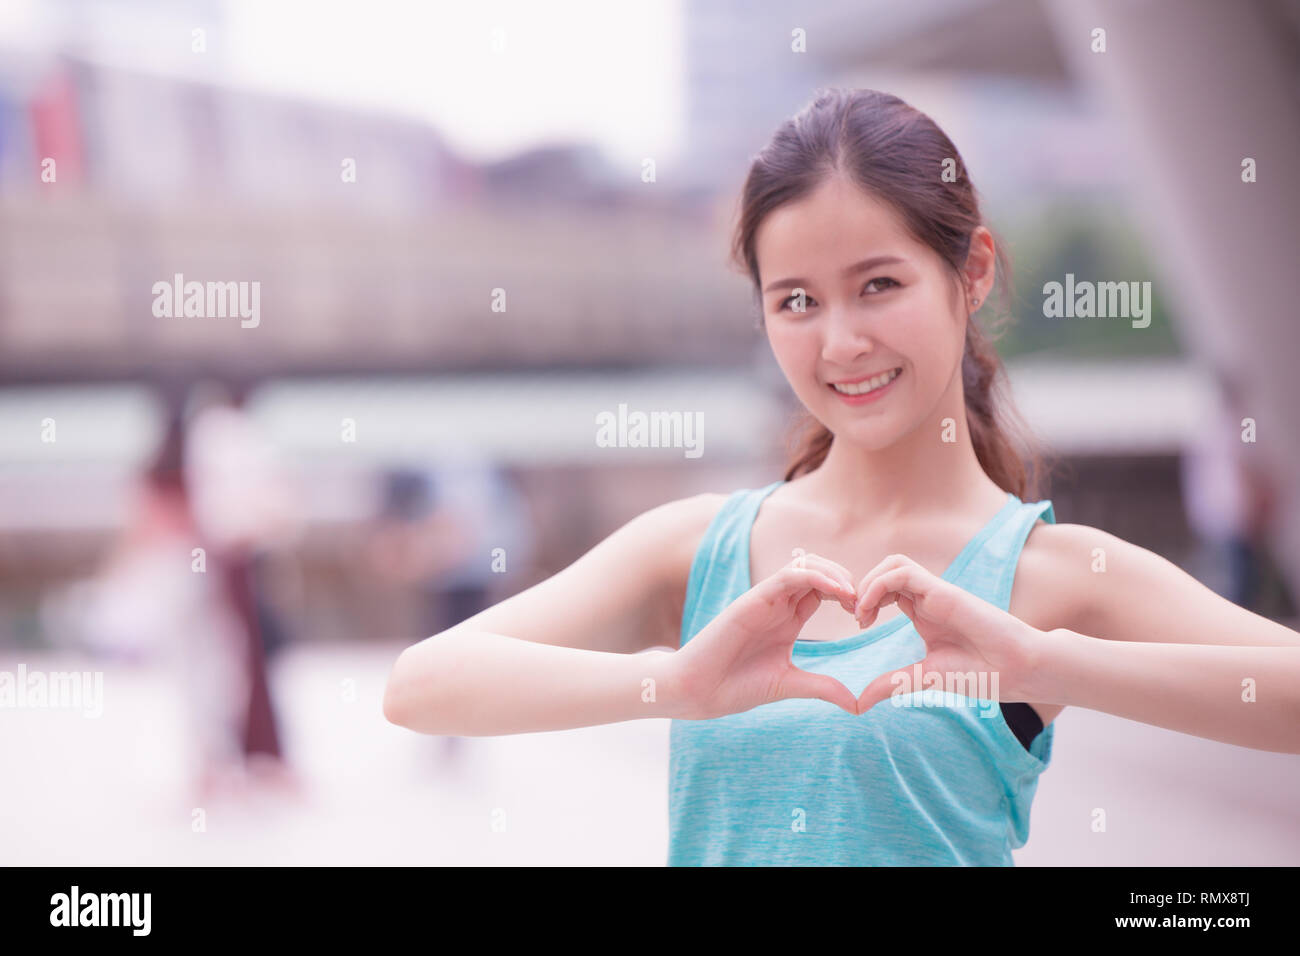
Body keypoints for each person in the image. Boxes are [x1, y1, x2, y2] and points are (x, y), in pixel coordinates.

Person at [381, 88, 1300, 866]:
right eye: (796, 302)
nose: (841, 343)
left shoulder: (1049, 574)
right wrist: (677, 685)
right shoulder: (698, 549)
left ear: (971, 271)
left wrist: (1050, 665)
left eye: (879, 285)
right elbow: (422, 687)